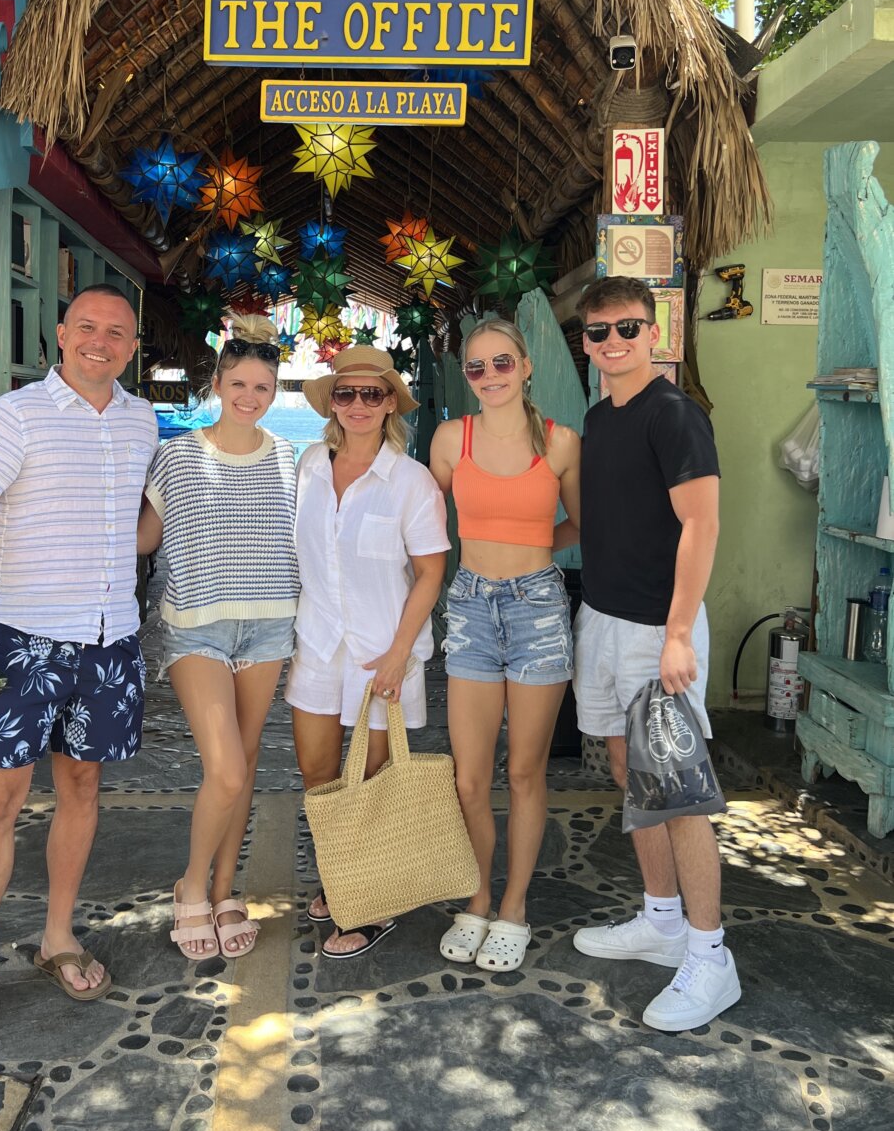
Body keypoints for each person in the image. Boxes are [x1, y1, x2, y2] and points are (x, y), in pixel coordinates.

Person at [0, 284, 156, 1049]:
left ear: (132, 344)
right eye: (87, 327)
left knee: (83, 785)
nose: (101, 340)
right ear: (61, 334)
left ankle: (59, 934)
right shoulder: (14, 415)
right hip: (22, 636)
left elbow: (137, 521)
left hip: (110, 637)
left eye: (116, 332)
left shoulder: (141, 418)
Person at [571, 275, 741, 1032]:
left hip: (655, 630)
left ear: (654, 330)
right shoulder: (599, 416)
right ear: (586, 342)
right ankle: (663, 919)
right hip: (603, 620)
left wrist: (678, 632)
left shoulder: (675, 415)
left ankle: (711, 956)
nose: (614, 343)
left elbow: (700, 526)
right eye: (600, 331)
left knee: (675, 791)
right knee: (627, 771)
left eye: (628, 329)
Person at [138, 314, 298, 960]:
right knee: (225, 769)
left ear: (274, 391)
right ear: (218, 381)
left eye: (262, 387)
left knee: (248, 759)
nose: (249, 397)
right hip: (196, 626)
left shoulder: (289, 457)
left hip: (270, 625)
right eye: (239, 383)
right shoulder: (175, 457)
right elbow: (142, 539)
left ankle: (226, 887)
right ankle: (190, 884)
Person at [286, 346, 450, 959]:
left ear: (390, 405)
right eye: (346, 394)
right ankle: (342, 879)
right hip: (318, 646)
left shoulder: (411, 482)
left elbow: (431, 574)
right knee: (318, 776)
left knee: (372, 785)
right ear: (332, 403)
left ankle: (369, 904)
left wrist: (399, 653)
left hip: (384, 653)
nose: (358, 405)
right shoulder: (307, 466)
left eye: (372, 394)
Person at [429, 318, 580, 972]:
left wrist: (537, 555)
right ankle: (477, 895)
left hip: (538, 606)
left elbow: (585, 520)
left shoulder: (560, 442)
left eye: (501, 363)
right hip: (468, 604)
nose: (489, 376)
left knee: (523, 771)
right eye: (477, 368)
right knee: (468, 776)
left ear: (525, 367)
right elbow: (423, 522)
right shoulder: (448, 438)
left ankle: (514, 904)